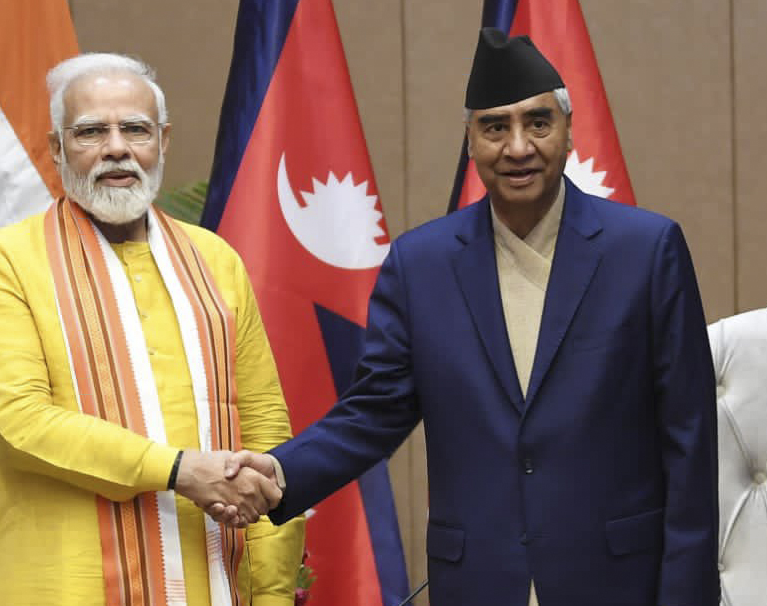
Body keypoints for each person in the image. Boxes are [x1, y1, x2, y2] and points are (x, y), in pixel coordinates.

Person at [219, 28, 719, 606]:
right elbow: (374, 413)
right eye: (494, 127)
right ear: (470, 139)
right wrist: (279, 474)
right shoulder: (422, 263)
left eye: (537, 122)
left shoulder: (645, 250)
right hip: (480, 580)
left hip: (615, 578)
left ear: (567, 130)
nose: (518, 147)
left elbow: (689, 439)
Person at [0, 52, 304, 606]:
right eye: (91, 131)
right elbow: (20, 419)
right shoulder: (6, 260)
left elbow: (265, 430)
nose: (116, 148)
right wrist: (178, 471)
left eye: (135, 130)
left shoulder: (214, 260)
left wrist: (269, 593)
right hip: (63, 586)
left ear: (163, 141)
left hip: (212, 582)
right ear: (56, 149)